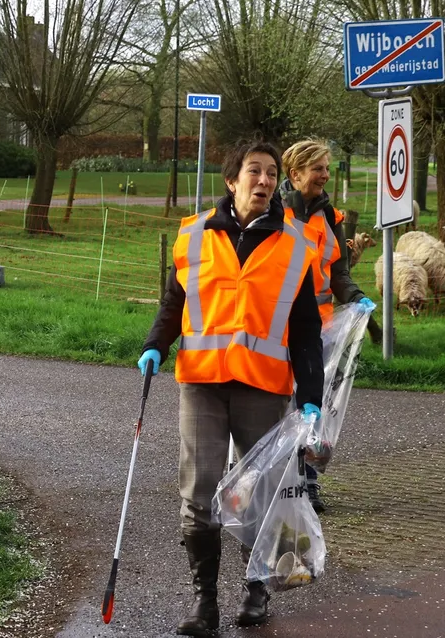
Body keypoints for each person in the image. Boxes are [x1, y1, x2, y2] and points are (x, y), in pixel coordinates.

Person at [138, 140, 324, 636]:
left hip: (262, 389)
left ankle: (257, 590)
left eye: (269, 173)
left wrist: (311, 397)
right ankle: (205, 603)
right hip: (201, 383)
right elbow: (176, 299)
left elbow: (306, 329)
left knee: (256, 493)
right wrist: (156, 342)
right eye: (253, 172)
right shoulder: (194, 234)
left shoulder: (295, 242)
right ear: (232, 180)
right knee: (198, 495)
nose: (264, 181)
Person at [280, 139, 378, 514]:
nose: (325, 175)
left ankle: (308, 481)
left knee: (312, 406)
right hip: (277, 327)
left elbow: (337, 272)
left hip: (319, 332)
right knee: (275, 406)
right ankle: (261, 475)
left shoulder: (331, 218)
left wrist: (355, 297)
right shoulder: (275, 213)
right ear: (296, 173)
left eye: (326, 167)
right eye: (318, 168)